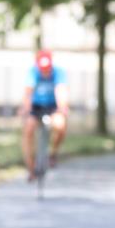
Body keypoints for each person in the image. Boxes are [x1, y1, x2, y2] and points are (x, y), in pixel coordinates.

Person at [20, 50, 69, 181]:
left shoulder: (58, 72)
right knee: (28, 130)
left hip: (53, 106)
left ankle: (53, 153)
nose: (45, 71)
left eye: (47, 68)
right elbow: (28, 93)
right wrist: (25, 109)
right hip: (36, 107)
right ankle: (31, 168)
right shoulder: (33, 72)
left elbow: (61, 90)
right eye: (43, 68)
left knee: (60, 125)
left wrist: (62, 107)